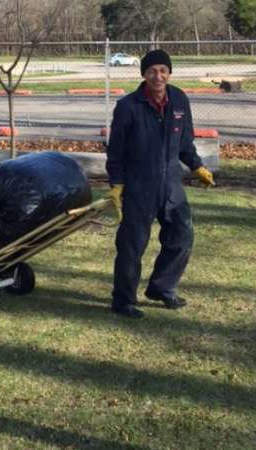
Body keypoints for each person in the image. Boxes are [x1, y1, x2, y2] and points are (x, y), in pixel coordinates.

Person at [106, 49, 215, 319]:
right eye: (152, 71)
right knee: (132, 246)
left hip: (171, 185)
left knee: (182, 235)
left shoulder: (179, 100)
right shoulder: (128, 107)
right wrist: (117, 184)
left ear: (169, 73)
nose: (158, 76)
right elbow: (116, 152)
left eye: (163, 71)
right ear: (143, 74)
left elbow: (185, 142)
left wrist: (197, 166)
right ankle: (123, 300)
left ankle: (162, 288)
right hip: (138, 187)